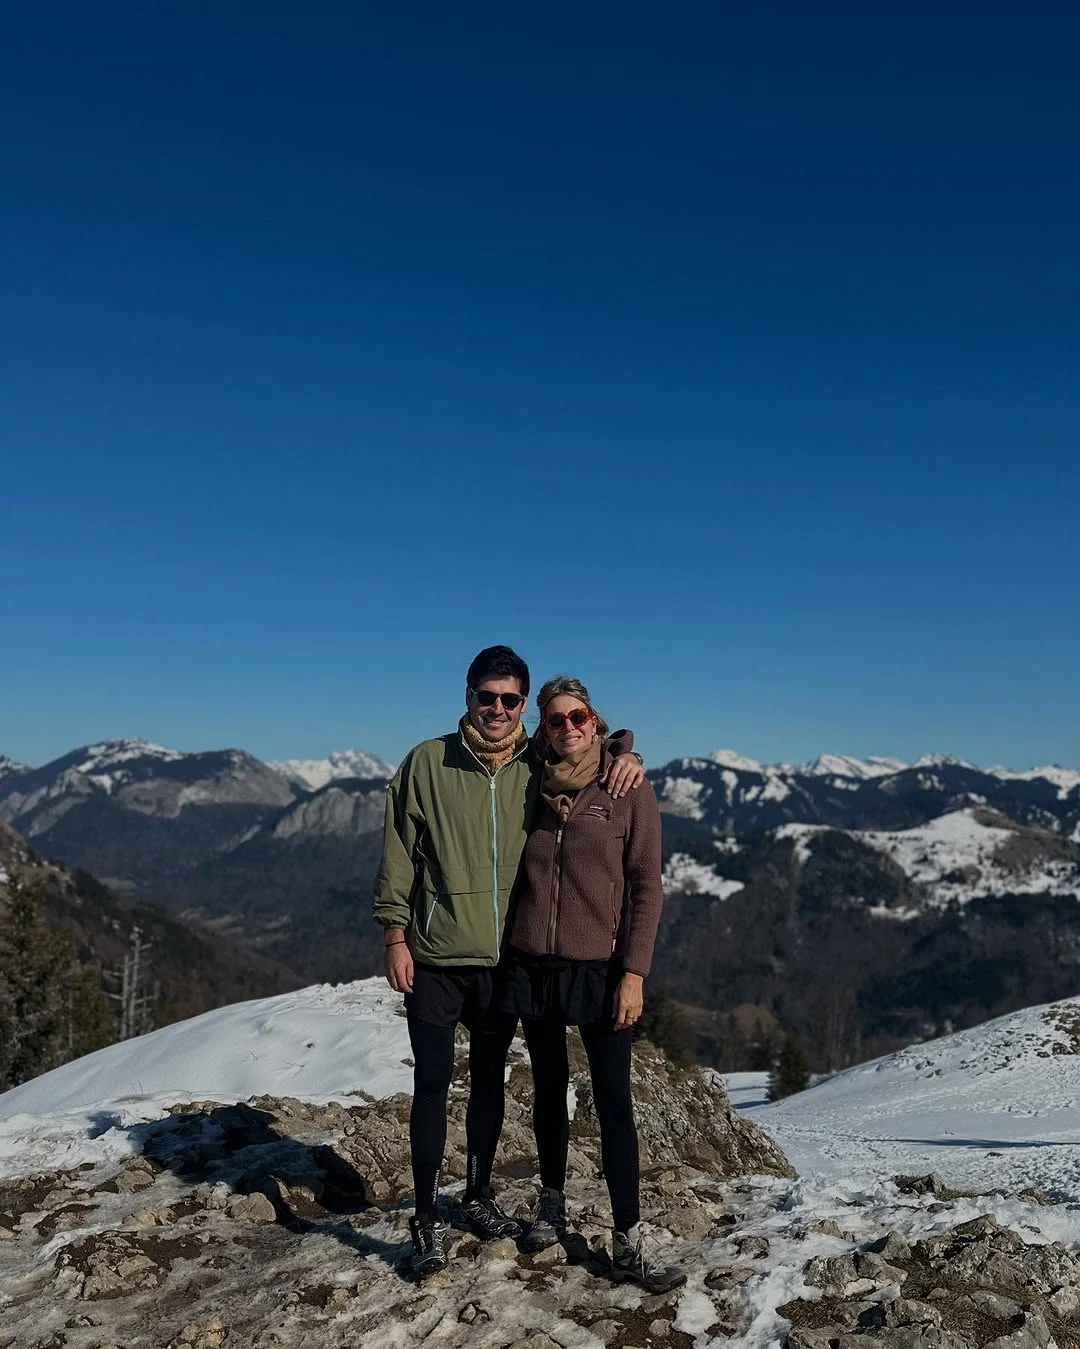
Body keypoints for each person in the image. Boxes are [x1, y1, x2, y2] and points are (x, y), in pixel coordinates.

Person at [373, 646, 644, 1278]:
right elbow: (397, 852)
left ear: (523, 706)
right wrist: (394, 935)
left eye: (509, 700)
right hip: (437, 955)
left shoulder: (536, 763)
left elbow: (591, 751)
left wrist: (627, 754)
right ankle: (423, 1218)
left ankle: (476, 1194)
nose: (497, 709)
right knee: (433, 1086)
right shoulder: (427, 762)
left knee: (490, 1083)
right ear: (466, 697)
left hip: (505, 960)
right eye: (485, 697)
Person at [499, 675, 685, 1294]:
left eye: (578, 717)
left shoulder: (626, 787)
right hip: (532, 963)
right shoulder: (526, 779)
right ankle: (552, 1208)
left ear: (596, 721)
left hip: (600, 968)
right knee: (549, 1092)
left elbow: (646, 889)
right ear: (542, 729)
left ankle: (628, 1237)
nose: (568, 728)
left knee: (612, 1102)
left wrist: (634, 973)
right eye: (555, 720)